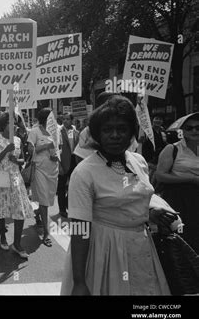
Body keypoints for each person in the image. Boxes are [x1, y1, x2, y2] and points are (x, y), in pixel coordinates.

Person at [61, 96, 176, 295]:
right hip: (105, 253)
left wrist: (150, 213)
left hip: (141, 246)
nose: (115, 135)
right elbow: (80, 229)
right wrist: (79, 281)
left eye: (122, 129)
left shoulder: (139, 161)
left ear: (131, 132)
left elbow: (135, 199)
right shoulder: (84, 172)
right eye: (107, 130)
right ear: (97, 134)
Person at [0, 113, 33, 259]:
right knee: (1, 211)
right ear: (3, 125)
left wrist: (17, 160)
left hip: (15, 179)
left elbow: (24, 162)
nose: (13, 125)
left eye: (15, 123)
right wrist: (6, 151)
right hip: (0, 179)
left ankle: (17, 244)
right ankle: (2, 237)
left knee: (20, 211)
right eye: (10, 123)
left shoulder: (18, 140)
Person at [155, 112, 199, 252]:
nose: (194, 131)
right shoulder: (172, 149)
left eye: (198, 128)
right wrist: (191, 179)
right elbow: (160, 175)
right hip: (179, 197)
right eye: (189, 128)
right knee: (184, 236)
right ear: (182, 131)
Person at [27, 108, 59, 247]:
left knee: (47, 199)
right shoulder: (34, 132)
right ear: (45, 119)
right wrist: (46, 145)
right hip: (39, 169)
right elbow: (30, 150)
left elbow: (59, 147)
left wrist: (56, 154)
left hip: (53, 170)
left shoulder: (56, 131)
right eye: (51, 117)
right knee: (44, 200)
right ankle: (46, 233)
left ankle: (38, 212)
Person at [57, 113, 79, 218]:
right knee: (61, 187)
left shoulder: (75, 132)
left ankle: (67, 203)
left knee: (73, 186)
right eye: (63, 119)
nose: (65, 121)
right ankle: (62, 209)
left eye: (67, 119)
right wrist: (59, 165)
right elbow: (57, 149)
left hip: (74, 162)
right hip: (63, 162)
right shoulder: (58, 132)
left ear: (72, 120)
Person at [141, 114, 167, 183]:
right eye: (156, 118)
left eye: (160, 119)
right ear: (152, 120)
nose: (158, 121)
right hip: (149, 160)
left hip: (159, 160)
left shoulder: (163, 132)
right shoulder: (147, 131)